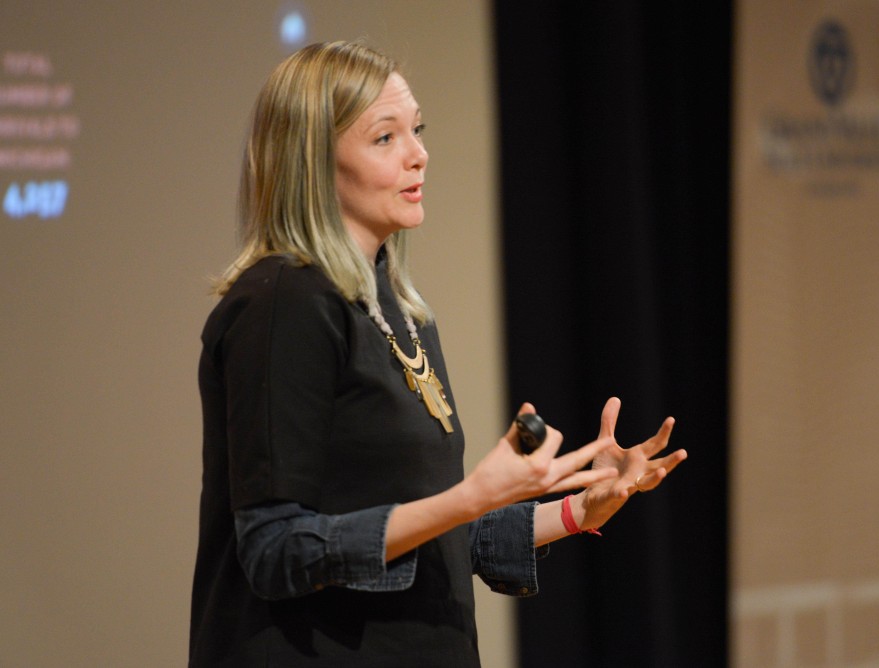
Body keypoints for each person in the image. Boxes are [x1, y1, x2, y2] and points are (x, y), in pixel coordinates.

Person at [189, 40, 687, 667]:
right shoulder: (284, 302)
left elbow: (429, 537)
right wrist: (470, 496)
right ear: (312, 160)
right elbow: (274, 550)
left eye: (417, 130)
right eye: (385, 138)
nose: (419, 155)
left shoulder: (396, 307)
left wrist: (574, 510)